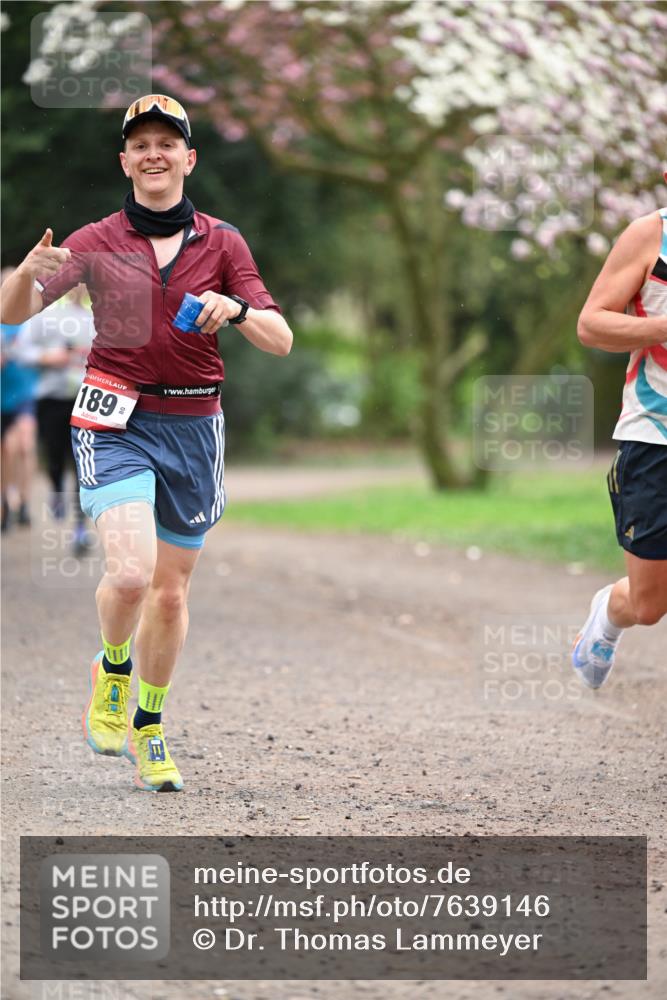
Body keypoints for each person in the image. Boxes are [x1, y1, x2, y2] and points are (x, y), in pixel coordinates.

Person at [0, 94, 293, 790]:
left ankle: (150, 725)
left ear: (189, 158)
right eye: (140, 145)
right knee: (131, 574)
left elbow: (280, 339)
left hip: (193, 427)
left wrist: (237, 309)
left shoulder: (223, 243)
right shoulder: (95, 240)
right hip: (114, 420)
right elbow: (11, 316)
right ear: (124, 160)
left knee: (167, 594)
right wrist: (26, 273)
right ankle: (112, 670)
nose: (153, 154)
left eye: (167, 143)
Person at [572, 195, 667, 688]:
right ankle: (610, 611)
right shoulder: (650, 234)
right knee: (649, 605)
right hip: (656, 433)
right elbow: (591, 323)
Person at [18, 284, 96, 554]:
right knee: (55, 458)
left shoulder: (97, 315)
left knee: (82, 464)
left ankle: (80, 528)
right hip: (51, 398)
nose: (79, 286)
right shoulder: (44, 315)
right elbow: (21, 351)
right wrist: (48, 357)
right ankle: (55, 486)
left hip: (86, 399)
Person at [1, 268, 39, 533]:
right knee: (5, 451)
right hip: (2, 394)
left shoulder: (31, 318)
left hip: (24, 393)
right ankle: (5, 500)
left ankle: (24, 501)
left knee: (24, 444)